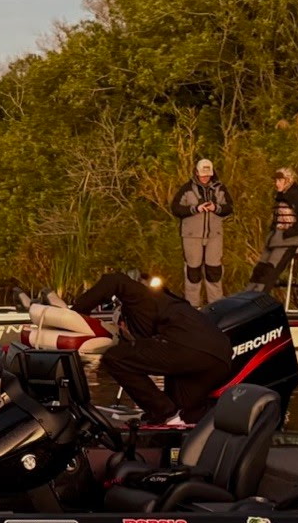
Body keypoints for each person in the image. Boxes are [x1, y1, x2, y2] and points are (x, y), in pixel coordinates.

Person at [66, 270, 231, 427]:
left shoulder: (141, 299)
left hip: (188, 344)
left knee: (114, 358)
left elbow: (114, 280)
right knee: (182, 414)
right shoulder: (168, 310)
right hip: (219, 358)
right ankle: (171, 422)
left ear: (122, 322)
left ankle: (163, 412)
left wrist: (76, 314)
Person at [171, 158, 232, 305]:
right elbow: (176, 208)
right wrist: (195, 209)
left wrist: (216, 208)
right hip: (191, 236)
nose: (205, 177)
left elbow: (229, 207)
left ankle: (216, 306)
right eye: (203, 174)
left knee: (214, 271)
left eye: (208, 175)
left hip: (214, 235)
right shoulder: (186, 188)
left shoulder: (220, 188)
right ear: (196, 172)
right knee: (193, 271)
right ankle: (192, 306)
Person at [248, 167, 298, 292]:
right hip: (275, 238)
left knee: (270, 272)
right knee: (259, 271)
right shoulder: (280, 196)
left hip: (287, 240)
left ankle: (257, 298)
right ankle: (246, 297)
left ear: (288, 180)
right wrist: (273, 233)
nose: (276, 183)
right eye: (276, 180)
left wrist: (287, 234)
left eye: (280, 181)